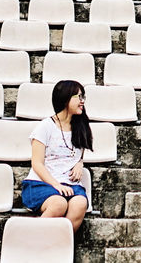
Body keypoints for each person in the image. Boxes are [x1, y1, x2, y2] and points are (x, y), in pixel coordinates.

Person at [21, 80, 93, 231]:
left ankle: (59, 247)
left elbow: (77, 153)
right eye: (78, 97)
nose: (82, 101)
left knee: (80, 204)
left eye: (83, 97)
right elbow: (37, 163)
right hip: (42, 184)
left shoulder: (81, 126)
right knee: (59, 204)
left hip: (70, 185)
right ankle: (30, 241)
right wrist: (56, 185)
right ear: (66, 98)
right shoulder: (45, 126)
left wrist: (80, 163)